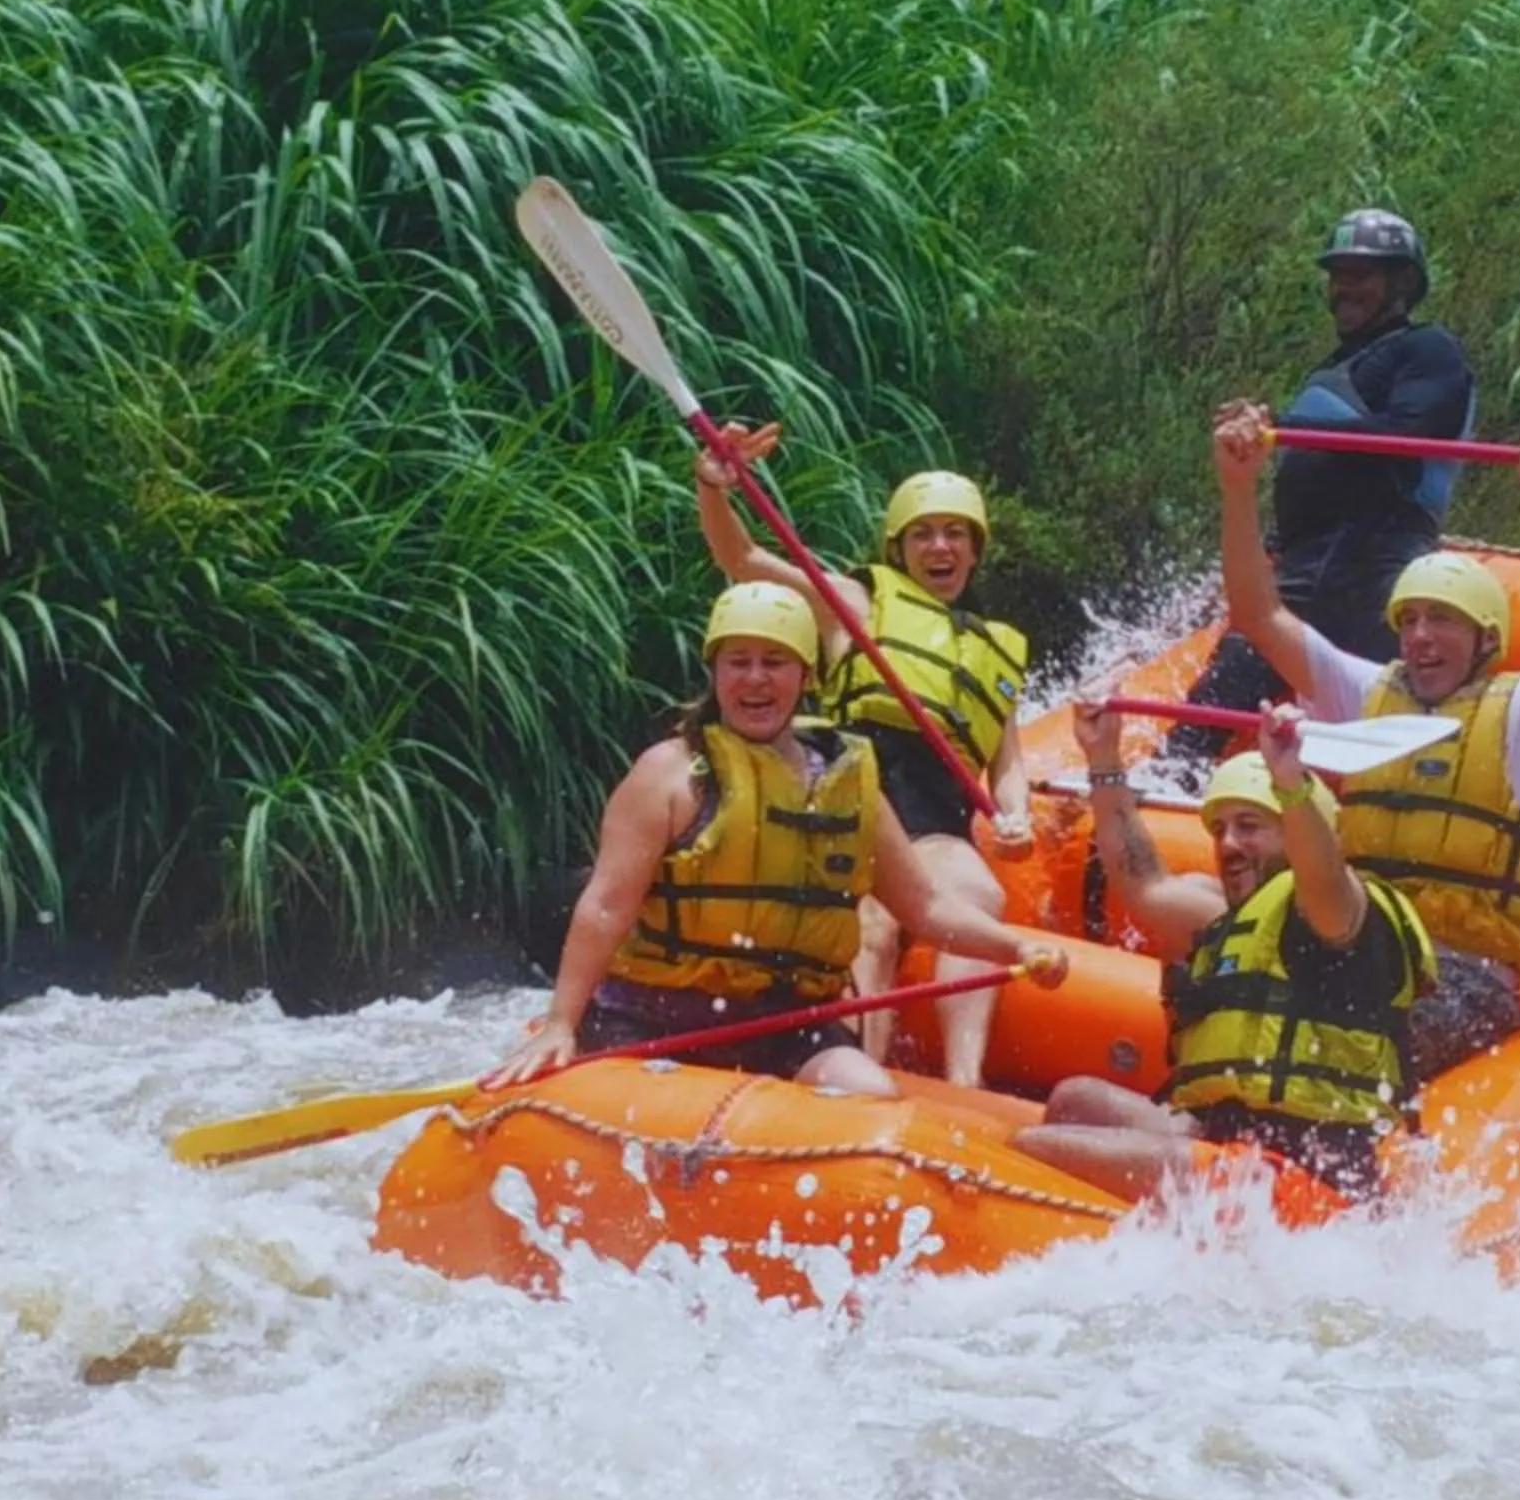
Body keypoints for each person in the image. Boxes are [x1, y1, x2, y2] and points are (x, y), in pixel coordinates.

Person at [481, 583, 1066, 1093]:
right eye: (739, 662)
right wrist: (561, 1021)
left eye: (775, 663)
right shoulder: (670, 774)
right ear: (715, 671)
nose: (755, 679)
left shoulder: (850, 782)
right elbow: (606, 906)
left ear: (805, 677)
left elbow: (928, 905)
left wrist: (1014, 950)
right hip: (655, 1013)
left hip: (784, 1020)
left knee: (867, 1093)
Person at [1203, 405, 1520, 1077]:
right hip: (1368, 944)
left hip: (1476, 967)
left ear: (1487, 640)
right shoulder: (1365, 696)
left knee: (1361, 1036)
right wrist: (1238, 487)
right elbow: (1258, 613)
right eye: (1411, 620)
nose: (1421, 635)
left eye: (1443, 621)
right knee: (1239, 1006)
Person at [690, 422, 1035, 1086]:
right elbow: (742, 558)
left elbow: (1007, 762)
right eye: (924, 534)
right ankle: (859, 1078)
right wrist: (714, 486)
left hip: (937, 816)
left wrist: (1014, 817)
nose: (940, 547)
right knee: (872, 921)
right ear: (899, 547)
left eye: (955, 534)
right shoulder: (856, 601)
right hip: (856, 797)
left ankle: (966, 1086)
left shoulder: (999, 649)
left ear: (975, 549)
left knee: (979, 898)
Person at [1010, 702, 1437, 1220]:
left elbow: (1322, 871)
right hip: (1230, 1141)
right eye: (1220, 830)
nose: (1229, 844)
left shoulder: (1335, 913)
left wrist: (1291, 782)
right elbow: (1142, 881)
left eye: (1250, 826)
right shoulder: (1225, 918)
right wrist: (1102, 755)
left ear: (1296, 831)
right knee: (1073, 1100)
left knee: (1032, 1149)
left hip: (1304, 1181)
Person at [1171, 207, 1477, 762]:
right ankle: (1164, 791)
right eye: (1338, 274)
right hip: (1304, 572)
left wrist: (1279, 427)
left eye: (1362, 274)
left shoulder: (1429, 350)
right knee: (1208, 713)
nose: (1344, 288)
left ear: (1403, 282)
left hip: (1378, 566)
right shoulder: (1336, 367)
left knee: (1386, 736)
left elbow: (1406, 434)